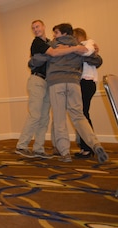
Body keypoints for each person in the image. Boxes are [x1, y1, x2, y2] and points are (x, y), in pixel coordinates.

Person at [32, 23, 108, 163]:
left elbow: (34, 62)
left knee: (60, 118)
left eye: (56, 32)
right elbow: (97, 61)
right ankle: (95, 144)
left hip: (57, 83)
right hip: (74, 83)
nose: (54, 35)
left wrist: (45, 55)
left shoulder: (54, 46)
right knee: (79, 116)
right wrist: (89, 51)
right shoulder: (79, 47)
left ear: (64, 34)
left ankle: (65, 152)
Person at [16, 20, 89, 159]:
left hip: (49, 83)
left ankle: (38, 148)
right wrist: (74, 48)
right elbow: (54, 54)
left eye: (37, 26)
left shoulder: (51, 41)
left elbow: (60, 52)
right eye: (33, 28)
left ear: (44, 27)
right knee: (35, 115)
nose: (36, 29)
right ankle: (22, 145)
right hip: (37, 80)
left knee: (44, 117)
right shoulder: (37, 42)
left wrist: (88, 47)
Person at [72, 28, 103, 158]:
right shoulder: (82, 48)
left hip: (86, 83)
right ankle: (85, 145)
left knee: (83, 115)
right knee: (82, 114)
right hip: (83, 83)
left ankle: (88, 147)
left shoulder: (88, 45)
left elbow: (95, 59)